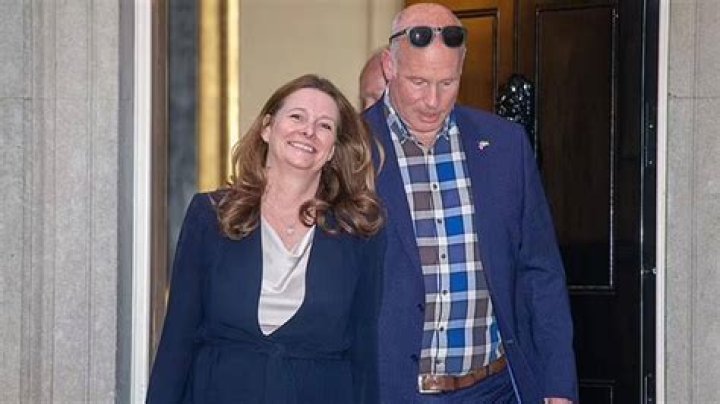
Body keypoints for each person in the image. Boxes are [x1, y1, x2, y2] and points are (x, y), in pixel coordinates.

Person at [363, 3, 577, 403]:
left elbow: (540, 271)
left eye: (447, 83)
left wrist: (558, 383)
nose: (433, 100)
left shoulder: (505, 145)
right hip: (393, 393)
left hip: (495, 388)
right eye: (418, 82)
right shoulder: (350, 148)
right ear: (389, 67)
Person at [147, 74, 385, 403]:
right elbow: (177, 340)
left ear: (332, 150)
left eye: (325, 126)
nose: (309, 131)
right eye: (297, 116)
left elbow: (364, 351)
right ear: (267, 129)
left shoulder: (357, 231)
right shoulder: (211, 215)